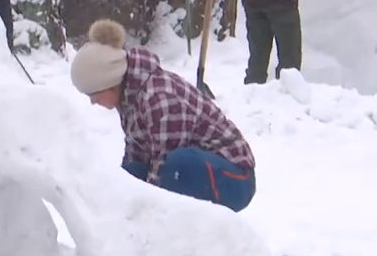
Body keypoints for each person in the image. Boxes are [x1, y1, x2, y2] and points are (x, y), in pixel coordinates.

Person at [69, 18, 257, 212]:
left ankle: (186, 234)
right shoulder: (129, 96)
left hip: (236, 179)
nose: (92, 102)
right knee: (132, 173)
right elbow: (137, 156)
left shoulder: (159, 99)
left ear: (108, 82)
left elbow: (163, 166)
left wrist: (149, 215)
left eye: (93, 94)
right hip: (198, 169)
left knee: (177, 167)